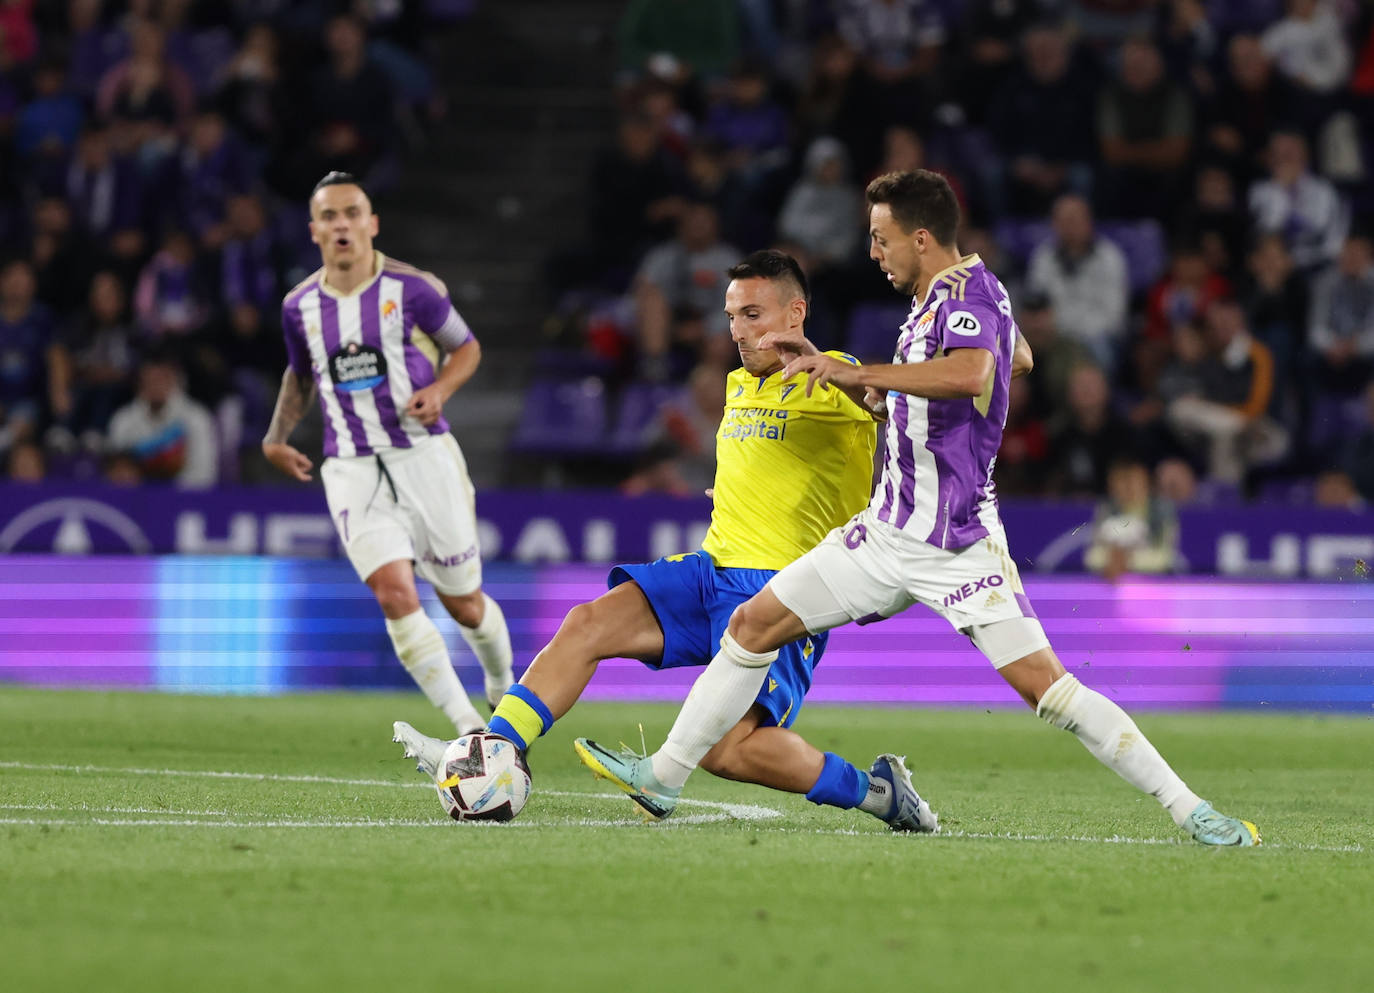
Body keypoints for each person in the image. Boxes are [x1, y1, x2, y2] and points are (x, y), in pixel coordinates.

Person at [575, 170, 1260, 848]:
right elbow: (1001, 359)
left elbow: (972, 374)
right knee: (753, 625)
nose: (874, 253)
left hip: (956, 540)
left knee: (1047, 690)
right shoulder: (939, 303)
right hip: (884, 531)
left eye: (882, 238)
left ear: (922, 237)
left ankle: (1189, 808)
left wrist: (858, 369)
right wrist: (839, 371)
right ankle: (663, 777)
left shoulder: (972, 292)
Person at [395, 250, 940, 831]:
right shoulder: (738, 383)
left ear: (795, 311)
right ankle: (490, 752)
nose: (736, 330)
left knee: (727, 752)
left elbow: (885, 406)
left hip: (784, 593)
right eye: (731, 316)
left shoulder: (832, 373)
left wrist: (859, 383)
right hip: (711, 570)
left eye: (752, 314)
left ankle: (880, 793)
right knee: (586, 624)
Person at [263, 171, 513, 736]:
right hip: (351, 467)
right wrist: (276, 437)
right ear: (314, 230)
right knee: (394, 591)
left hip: (424, 458)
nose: (342, 224)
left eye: (352, 212)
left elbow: (466, 348)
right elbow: (301, 375)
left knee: (466, 606)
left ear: (371, 223)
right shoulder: (298, 306)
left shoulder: (413, 290)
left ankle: (502, 680)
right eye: (329, 216)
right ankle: (471, 730)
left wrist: (440, 391)